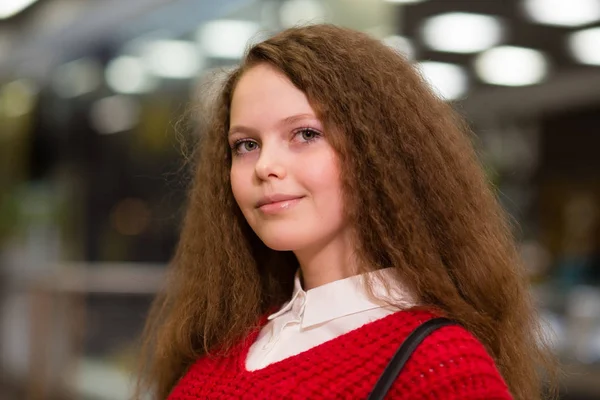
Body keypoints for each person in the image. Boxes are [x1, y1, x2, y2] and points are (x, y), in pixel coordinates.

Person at [135, 24, 556, 399]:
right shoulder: (227, 341)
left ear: (379, 153)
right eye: (246, 144)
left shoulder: (439, 366)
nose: (265, 166)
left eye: (304, 133)